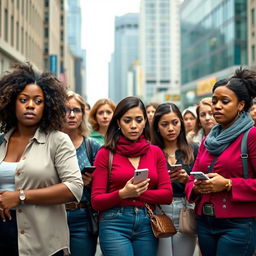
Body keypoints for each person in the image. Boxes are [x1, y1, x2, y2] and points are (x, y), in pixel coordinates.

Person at [0, 63, 83, 256]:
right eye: (23, 100)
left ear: (48, 106)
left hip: (43, 241)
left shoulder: (57, 140)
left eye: (38, 101)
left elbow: (74, 187)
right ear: (12, 102)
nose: (30, 105)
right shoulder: (1, 141)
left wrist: (20, 196)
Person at [185, 68, 256, 256]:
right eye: (214, 101)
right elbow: (191, 180)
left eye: (225, 102)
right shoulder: (208, 140)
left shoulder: (251, 135)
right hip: (205, 222)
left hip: (238, 224)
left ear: (240, 105)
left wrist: (228, 184)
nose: (217, 106)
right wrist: (196, 188)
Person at [91, 96, 173, 256]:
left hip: (147, 222)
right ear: (118, 123)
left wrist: (137, 193)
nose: (134, 126)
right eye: (127, 120)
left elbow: (167, 195)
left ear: (145, 122)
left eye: (138, 120)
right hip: (114, 222)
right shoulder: (105, 153)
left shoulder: (155, 152)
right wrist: (123, 193)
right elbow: (96, 201)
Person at [151, 102, 198, 256]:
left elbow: (202, 182)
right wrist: (162, 181)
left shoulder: (194, 149)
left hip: (186, 209)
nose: (171, 128)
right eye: (165, 124)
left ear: (181, 124)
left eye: (175, 123)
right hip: (159, 211)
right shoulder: (151, 151)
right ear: (157, 126)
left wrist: (188, 180)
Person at [62, 91, 101, 256]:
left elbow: (104, 185)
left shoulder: (92, 145)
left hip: (82, 215)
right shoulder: (48, 142)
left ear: (83, 114)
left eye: (76, 110)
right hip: (53, 214)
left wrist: (92, 182)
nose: (71, 115)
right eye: (66, 109)